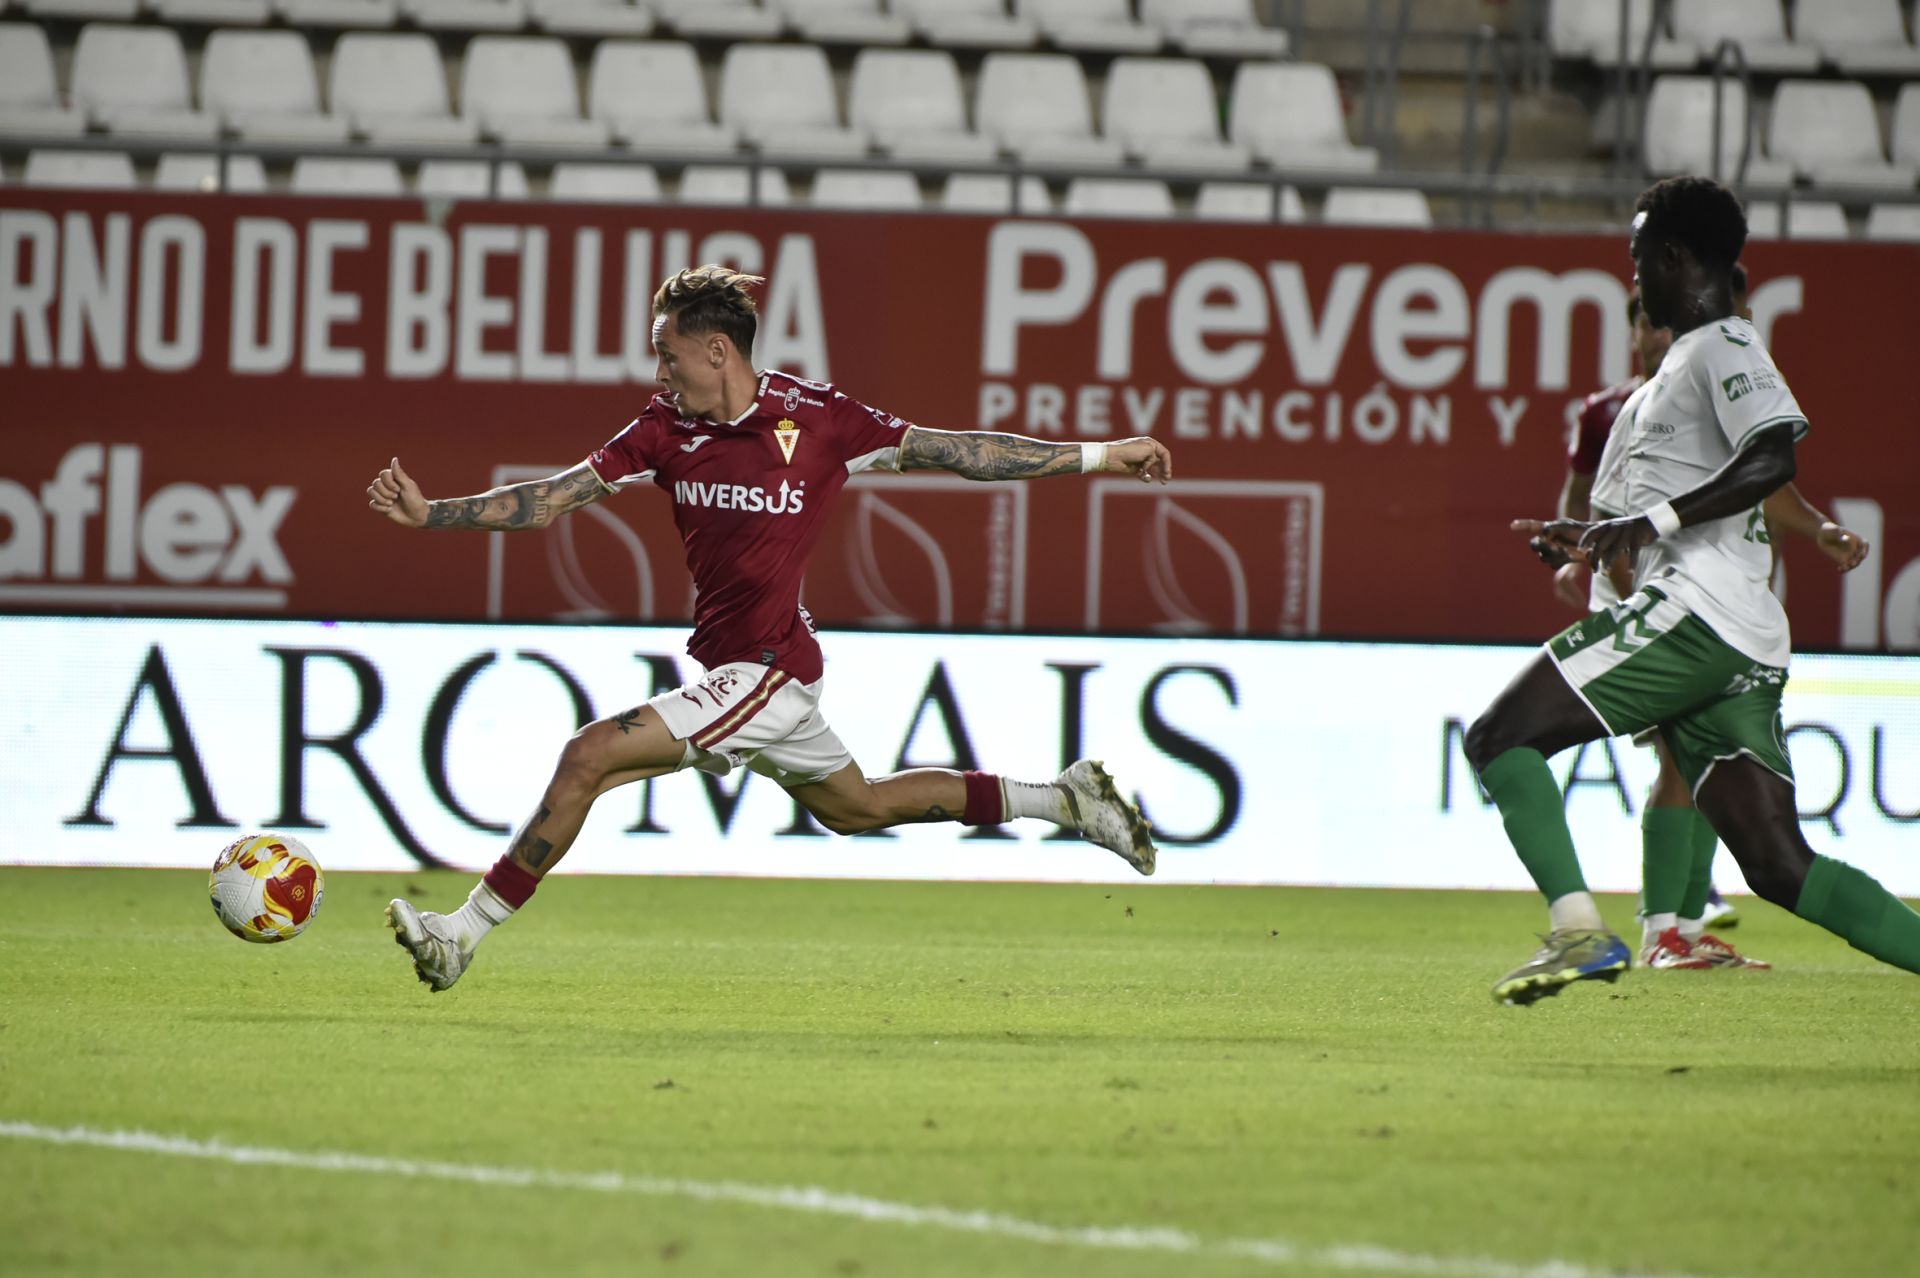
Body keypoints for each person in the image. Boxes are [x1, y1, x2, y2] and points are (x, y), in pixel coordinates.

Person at [365, 265, 1173, 992]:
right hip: (748, 668)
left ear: (717, 351)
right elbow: (551, 498)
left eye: (668, 353)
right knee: (856, 808)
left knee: (590, 755)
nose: (659, 372)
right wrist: (433, 515)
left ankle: (460, 934)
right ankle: (1062, 799)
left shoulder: (818, 421)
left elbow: (961, 452)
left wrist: (1101, 456)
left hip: (770, 671)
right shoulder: (662, 432)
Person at [1469, 176, 1920, 1005]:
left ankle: (1579, 931)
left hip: (1696, 615)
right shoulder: (1658, 389)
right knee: (1782, 868)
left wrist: (1648, 527)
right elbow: (1625, 523)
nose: (1632, 278)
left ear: (1674, 258)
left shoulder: (1725, 346)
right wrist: (1590, 540)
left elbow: (1773, 457)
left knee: (1498, 737)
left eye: (1638, 259)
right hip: (1737, 636)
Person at [1552, 281, 1869, 972]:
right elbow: (1603, 506)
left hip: (1697, 598)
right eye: (1648, 326)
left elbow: (1765, 482)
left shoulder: (1721, 383)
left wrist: (1816, 530)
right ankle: (1666, 931)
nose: (1658, 337)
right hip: (1653, 598)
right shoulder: (1631, 405)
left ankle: (1680, 930)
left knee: (1693, 763)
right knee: (1681, 758)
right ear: (1641, 329)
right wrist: (1604, 572)